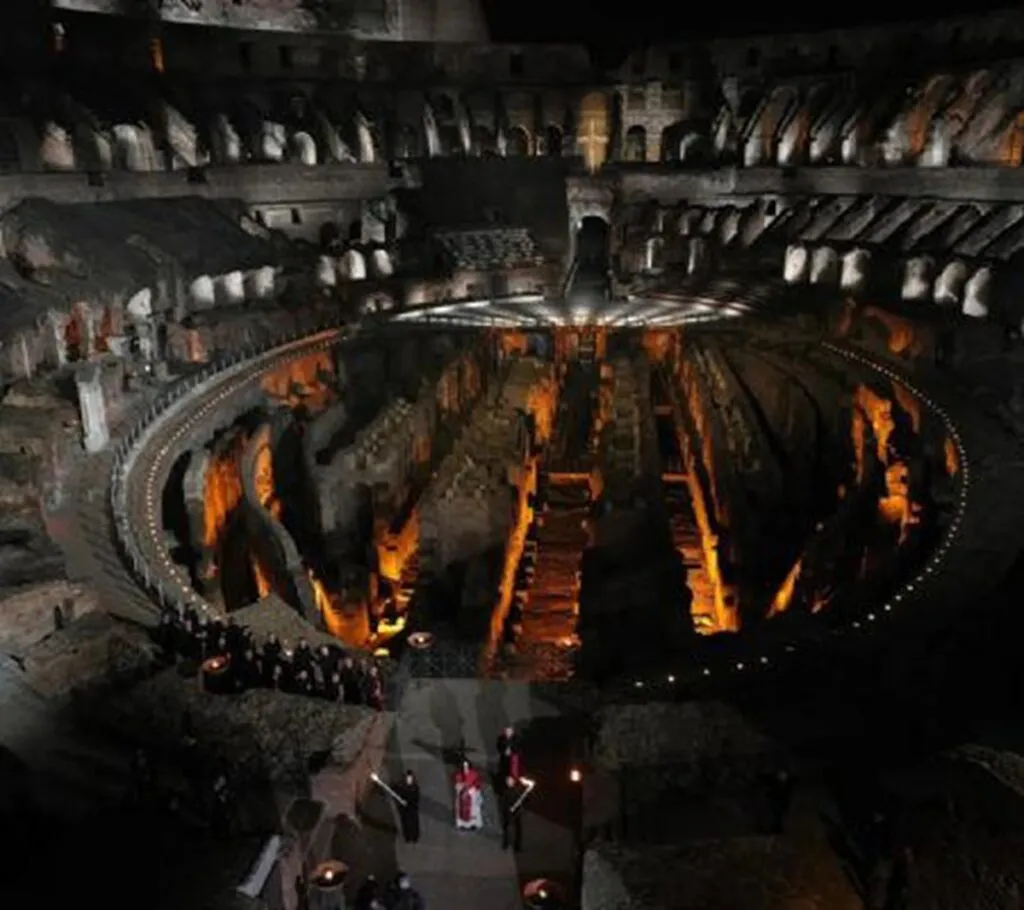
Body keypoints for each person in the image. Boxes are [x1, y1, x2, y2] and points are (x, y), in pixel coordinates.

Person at [454, 759, 483, 830]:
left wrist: (472, 789)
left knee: (474, 810)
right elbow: (457, 782)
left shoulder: (474, 774)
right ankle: (463, 825)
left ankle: (473, 824)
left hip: (472, 794)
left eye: (467, 766)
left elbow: (478, 783)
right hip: (463, 795)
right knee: (461, 809)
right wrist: (460, 786)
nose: (465, 768)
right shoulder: (459, 774)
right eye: (464, 766)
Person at [394, 770, 421, 844]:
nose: (409, 780)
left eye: (410, 778)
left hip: (412, 807)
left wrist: (410, 802)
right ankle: (408, 836)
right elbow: (397, 793)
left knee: (414, 822)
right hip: (404, 808)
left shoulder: (415, 787)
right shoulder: (402, 786)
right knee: (405, 822)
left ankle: (415, 836)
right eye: (407, 778)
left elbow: (417, 797)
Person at [500, 776, 524, 852]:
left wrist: (517, 809)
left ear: (513, 782)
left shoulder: (517, 791)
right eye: (507, 781)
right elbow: (503, 802)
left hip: (516, 813)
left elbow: (520, 802)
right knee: (506, 828)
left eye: (510, 781)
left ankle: (517, 846)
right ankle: (505, 843)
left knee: (517, 829)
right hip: (507, 812)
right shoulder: (505, 791)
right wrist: (505, 809)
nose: (508, 782)